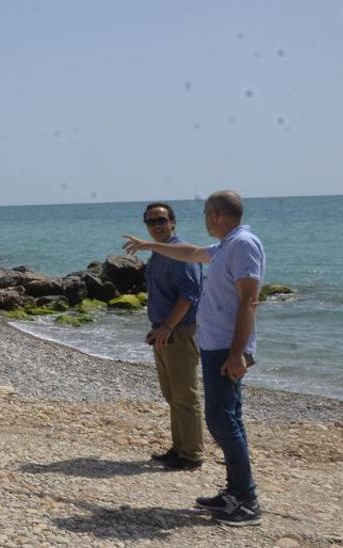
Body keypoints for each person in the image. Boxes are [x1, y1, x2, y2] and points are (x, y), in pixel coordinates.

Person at [124, 190, 265, 527]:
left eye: (205, 214)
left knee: (222, 420)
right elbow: (191, 252)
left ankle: (246, 500)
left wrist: (237, 354)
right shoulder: (227, 245)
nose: (203, 220)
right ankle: (234, 492)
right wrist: (149, 246)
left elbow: (249, 301)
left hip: (226, 348)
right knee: (225, 419)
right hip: (215, 344)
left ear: (215, 214)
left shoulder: (243, 243)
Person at [139, 202, 204, 471]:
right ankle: (179, 449)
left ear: (173, 222)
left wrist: (167, 327)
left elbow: (189, 296)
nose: (156, 226)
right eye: (151, 221)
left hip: (178, 331)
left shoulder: (181, 253)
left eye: (161, 220)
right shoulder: (159, 254)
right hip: (163, 331)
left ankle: (191, 454)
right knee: (172, 394)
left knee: (185, 395)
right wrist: (159, 329)